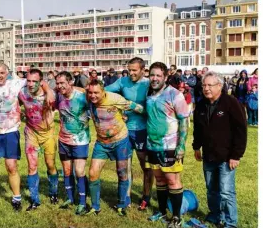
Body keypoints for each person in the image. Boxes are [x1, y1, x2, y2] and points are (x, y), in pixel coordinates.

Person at [0, 62, 54, 212]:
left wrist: (49, 91)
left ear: (7, 73)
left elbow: (38, 81)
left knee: (11, 167)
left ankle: (16, 199)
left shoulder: (16, 83)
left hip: (10, 132)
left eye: (2, 73)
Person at [193, 71, 247, 228]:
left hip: (226, 157)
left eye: (210, 85)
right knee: (211, 190)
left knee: (226, 192)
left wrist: (236, 155)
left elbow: (241, 131)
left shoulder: (231, 103)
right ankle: (215, 215)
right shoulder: (201, 104)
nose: (206, 88)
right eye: (204, 85)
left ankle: (230, 222)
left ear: (219, 86)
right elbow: (198, 128)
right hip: (209, 155)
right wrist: (196, 146)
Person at [85, 79, 144, 216]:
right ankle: (95, 206)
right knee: (93, 173)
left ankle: (122, 205)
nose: (93, 95)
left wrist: (148, 115)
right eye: (90, 92)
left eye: (96, 93)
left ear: (103, 91)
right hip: (101, 143)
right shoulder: (87, 97)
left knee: (122, 173)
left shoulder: (115, 98)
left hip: (120, 141)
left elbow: (135, 107)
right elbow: (75, 90)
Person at [105, 57, 154, 211]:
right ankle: (125, 197)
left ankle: (146, 196)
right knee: (124, 165)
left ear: (143, 70)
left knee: (145, 165)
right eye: (129, 69)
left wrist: (136, 108)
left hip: (142, 131)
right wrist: (119, 109)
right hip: (124, 130)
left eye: (134, 70)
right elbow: (103, 93)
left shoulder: (149, 84)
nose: (131, 73)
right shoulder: (122, 81)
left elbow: (153, 111)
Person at [146, 62, 189, 228]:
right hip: (152, 145)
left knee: (172, 180)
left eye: (158, 75)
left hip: (170, 146)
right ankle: (162, 212)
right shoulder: (149, 93)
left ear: (165, 77)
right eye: (152, 75)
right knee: (159, 179)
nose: (154, 78)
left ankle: (177, 217)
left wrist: (181, 145)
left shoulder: (175, 94)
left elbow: (184, 120)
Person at [18, 69, 59, 211]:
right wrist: (20, 114)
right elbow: (15, 105)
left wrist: (48, 90)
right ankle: (35, 200)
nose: (30, 84)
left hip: (48, 134)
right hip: (31, 133)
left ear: (41, 82)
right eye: (28, 80)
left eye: (34, 81)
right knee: (32, 166)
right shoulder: (22, 93)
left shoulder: (49, 95)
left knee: (50, 165)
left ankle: (53, 193)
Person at [54, 71, 90, 215]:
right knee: (67, 171)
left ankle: (82, 203)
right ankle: (70, 198)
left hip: (80, 140)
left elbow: (98, 105)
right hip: (63, 139)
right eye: (57, 83)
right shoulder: (58, 96)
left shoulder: (83, 97)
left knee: (80, 171)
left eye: (62, 83)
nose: (59, 86)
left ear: (71, 82)